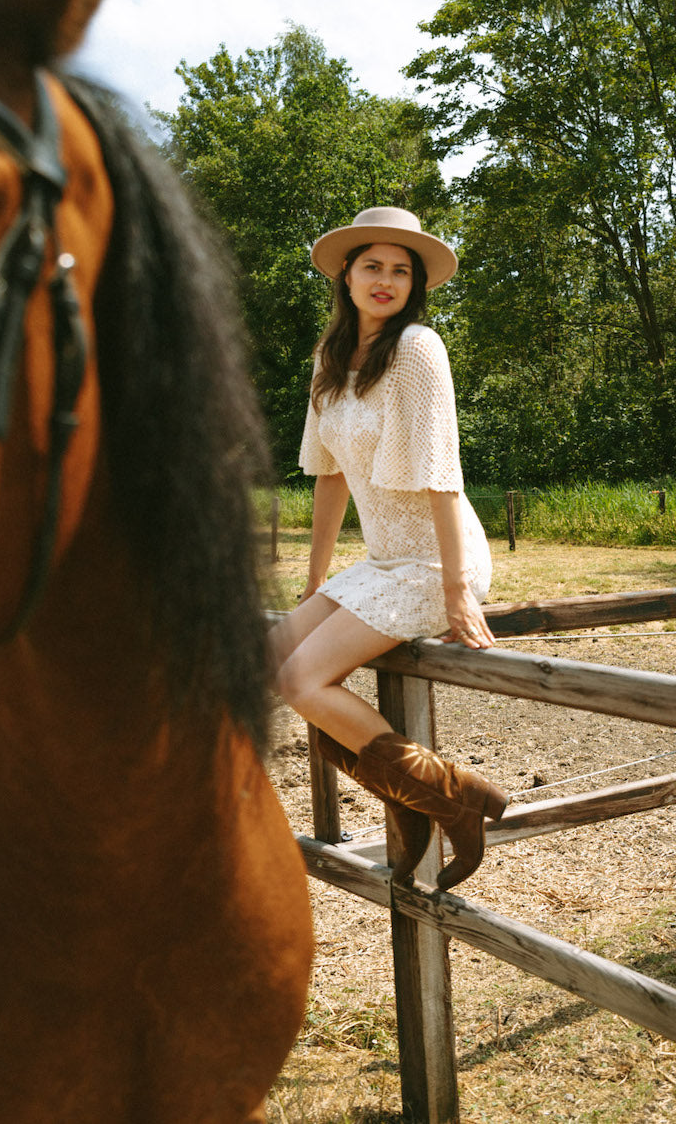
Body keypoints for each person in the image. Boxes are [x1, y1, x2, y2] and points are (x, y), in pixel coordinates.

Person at [271, 206, 508, 890]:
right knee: (272, 658)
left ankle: (454, 795)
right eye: (372, 266)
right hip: (381, 562)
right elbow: (330, 476)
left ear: (414, 286)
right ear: (346, 275)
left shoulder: (418, 350)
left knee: (302, 680)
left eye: (401, 271)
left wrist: (458, 589)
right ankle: (410, 798)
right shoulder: (330, 360)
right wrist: (316, 581)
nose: (386, 280)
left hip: (435, 559)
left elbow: (442, 471)